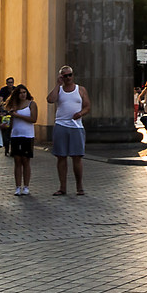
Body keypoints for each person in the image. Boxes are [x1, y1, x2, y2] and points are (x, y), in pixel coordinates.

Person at [47, 66, 89, 196]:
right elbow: (50, 100)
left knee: (77, 157)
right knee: (61, 157)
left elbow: (87, 106)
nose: (68, 78)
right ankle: (62, 187)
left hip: (76, 127)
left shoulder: (80, 89)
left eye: (70, 75)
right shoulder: (59, 90)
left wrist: (81, 113)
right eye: (65, 76)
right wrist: (57, 85)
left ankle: (79, 186)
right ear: (61, 77)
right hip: (61, 125)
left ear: (73, 75)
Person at [7, 85, 37, 195]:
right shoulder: (13, 105)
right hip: (15, 135)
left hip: (27, 135)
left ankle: (26, 186)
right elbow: (10, 120)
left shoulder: (31, 104)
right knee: (17, 161)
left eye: (24, 92)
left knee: (26, 160)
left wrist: (18, 115)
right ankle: (18, 186)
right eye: (20, 93)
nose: (23, 94)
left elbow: (33, 119)